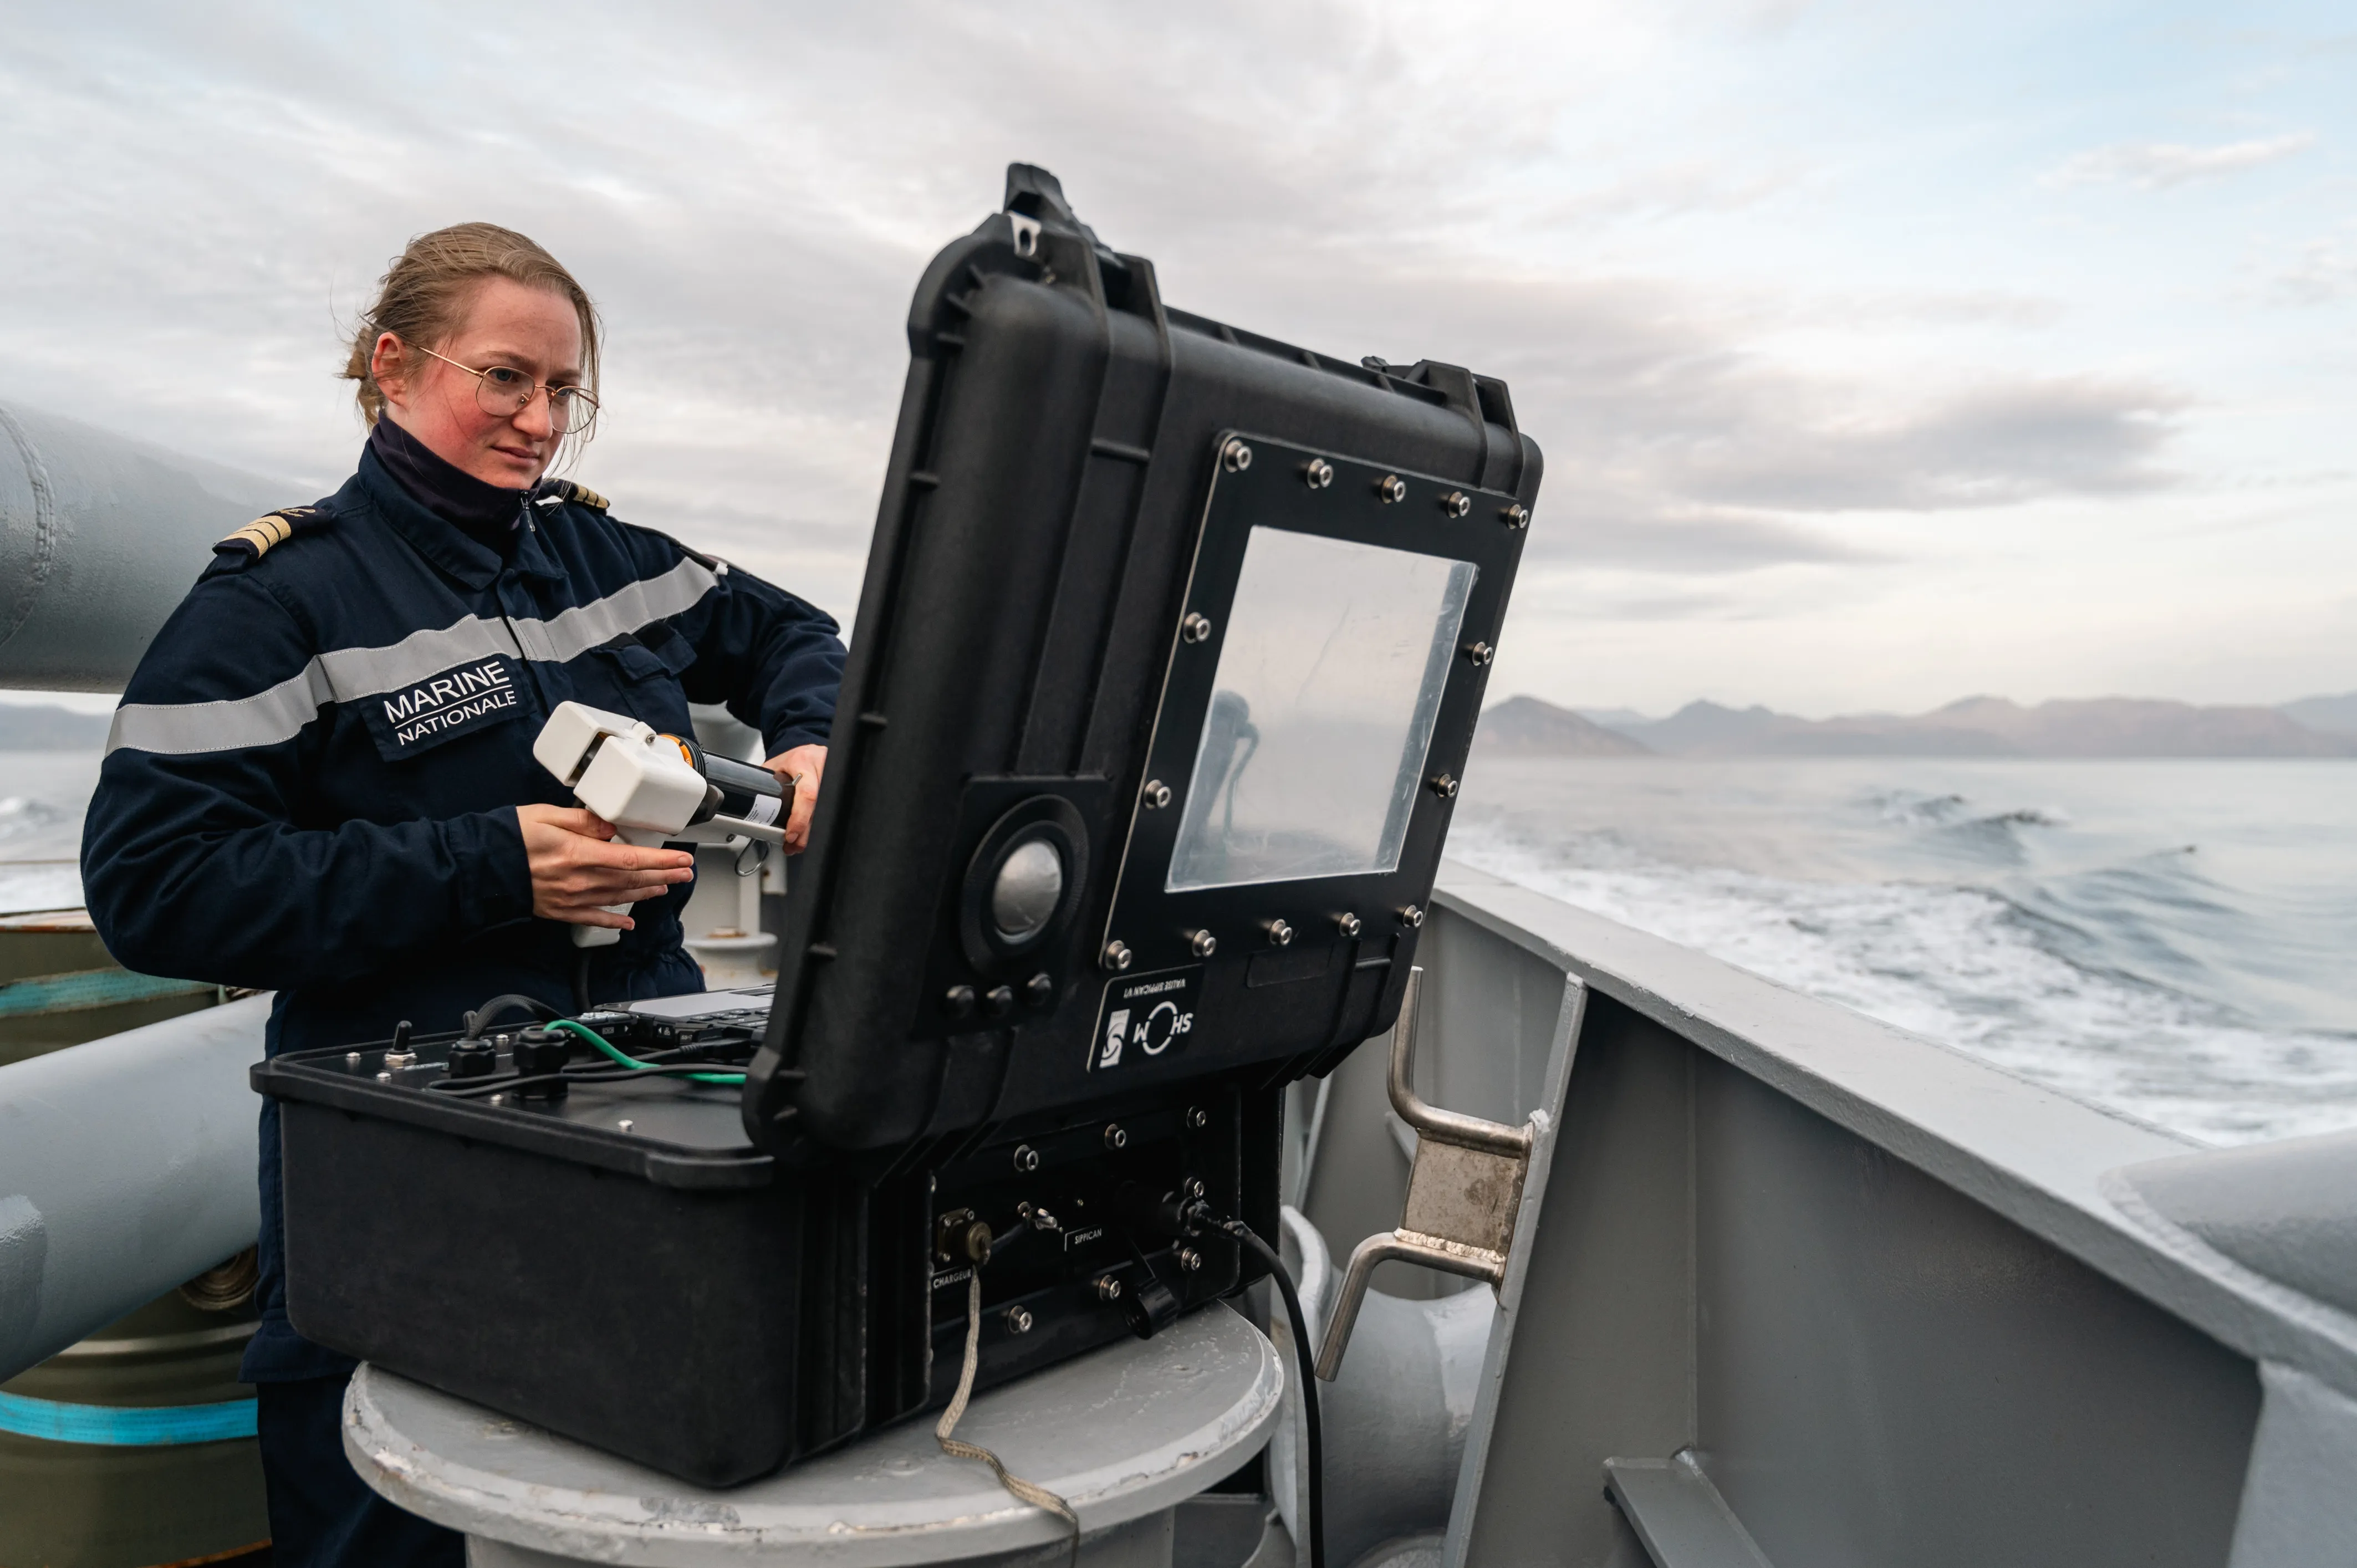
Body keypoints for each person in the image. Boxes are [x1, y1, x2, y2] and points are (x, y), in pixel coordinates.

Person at [81, 223, 846, 1566]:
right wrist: (498, 865)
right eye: (505, 378)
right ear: (393, 365)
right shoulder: (280, 604)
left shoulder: (617, 566)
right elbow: (156, 888)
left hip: (642, 1105)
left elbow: (794, 633)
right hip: (397, 1144)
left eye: (565, 392)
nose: (539, 421)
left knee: (634, 1492)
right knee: (387, 1517)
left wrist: (812, 734)